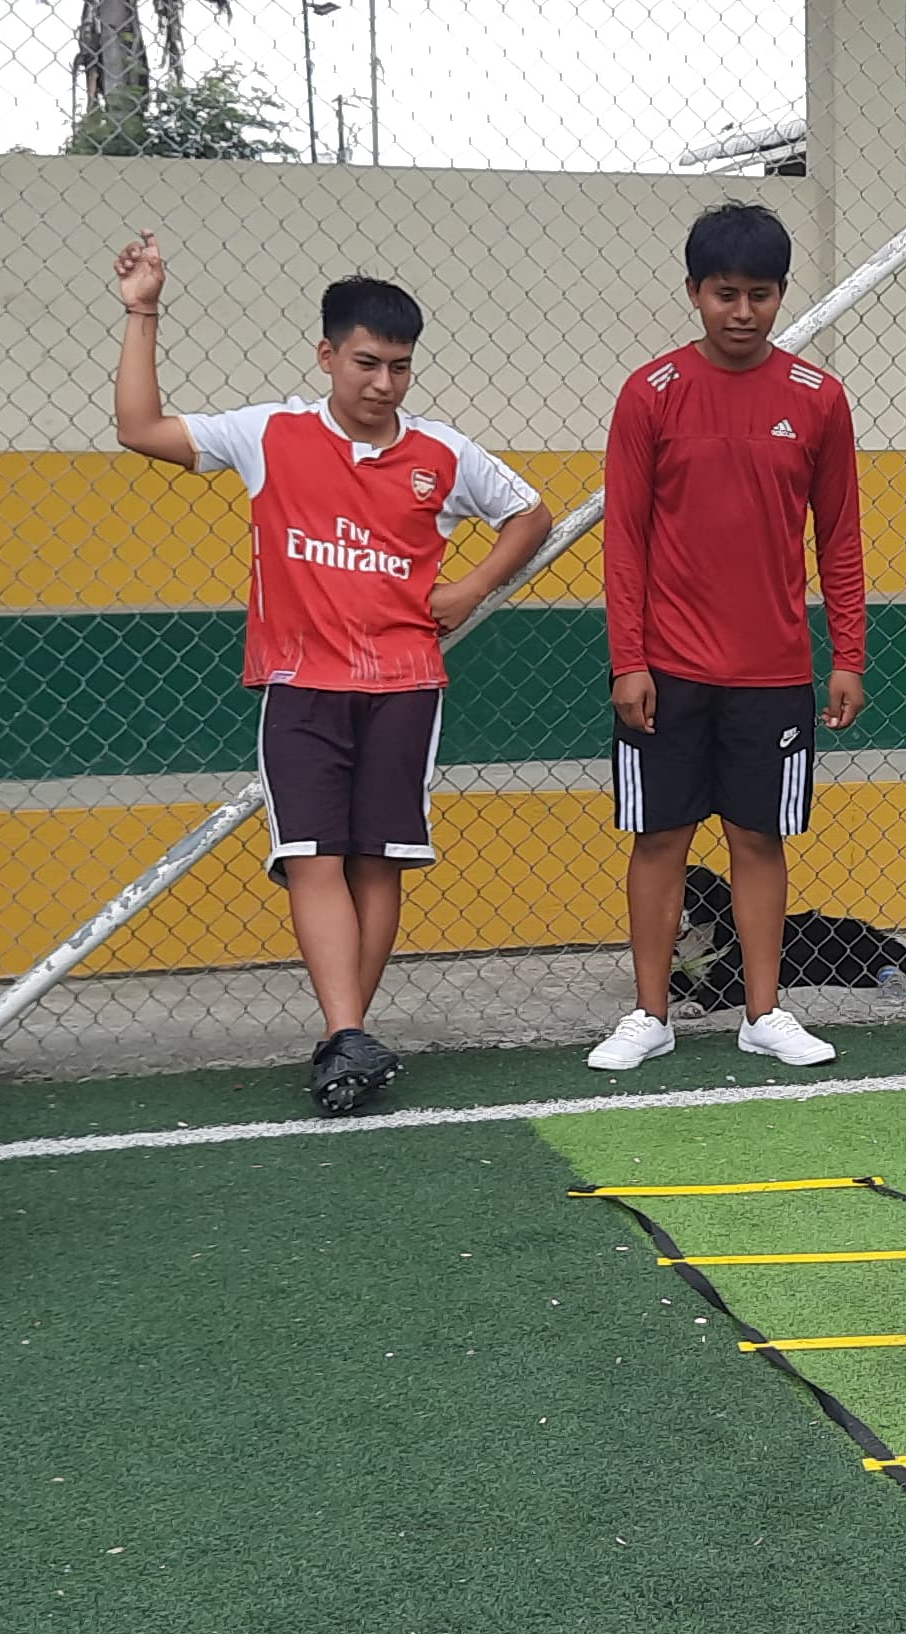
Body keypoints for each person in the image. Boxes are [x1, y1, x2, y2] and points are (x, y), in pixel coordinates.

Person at [110, 237, 554, 1114]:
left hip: (404, 685)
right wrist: (143, 311)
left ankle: (345, 1038)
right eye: (366, 363)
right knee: (312, 858)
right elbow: (138, 428)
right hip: (300, 684)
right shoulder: (268, 434)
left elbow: (530, 515)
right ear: (326, 356)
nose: (384, 383)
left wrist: (470, 586)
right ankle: (347, 1033)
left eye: (400, 366)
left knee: (379, 862)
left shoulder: (441, 453)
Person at [586, 201, 870, 1073]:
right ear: (693, 292)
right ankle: (650, 1015)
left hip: (773, 673)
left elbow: (841, 537)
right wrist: (629, 661)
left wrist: (848, 655)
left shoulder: (818, 399)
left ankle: (764, 1012)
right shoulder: (650, 393)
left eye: (760, 294)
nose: (742, 313)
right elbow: (625, 539)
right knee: (659, 839)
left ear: (781, 294)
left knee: (757, 839)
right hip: (666, 673)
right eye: (724, 294)